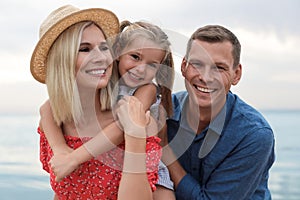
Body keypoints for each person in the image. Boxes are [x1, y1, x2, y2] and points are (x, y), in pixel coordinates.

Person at [121, 25, 275, 199]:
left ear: (236, 74)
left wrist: (164, 148)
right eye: (197, 64)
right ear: (184, 66)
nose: (206, 77)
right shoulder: (161, 111)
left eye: (219, 68)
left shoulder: (253, 135)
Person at [34, 7, 175, 199]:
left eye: (103, 47)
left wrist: (74, 158)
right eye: (84, 49)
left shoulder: (140, 114)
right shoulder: (54, 127)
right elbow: (64, 192)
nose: (101, 57)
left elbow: (123, 126)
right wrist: (60, 149)